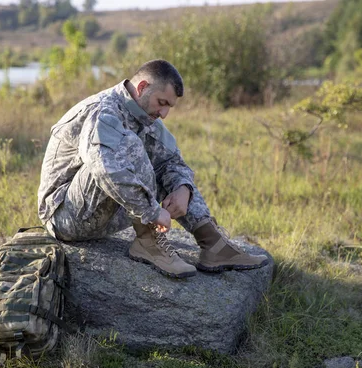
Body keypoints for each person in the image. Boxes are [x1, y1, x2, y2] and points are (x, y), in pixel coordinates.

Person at [38, 59, 268, 278]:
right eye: (162, 103)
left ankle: (213, 245)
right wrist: (152, 212)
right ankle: (148, 243)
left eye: (170, 107)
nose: (165, 114)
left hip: (105, 214)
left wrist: (183, 189)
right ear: (142, 87)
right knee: (129, 145)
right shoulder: (102, 111)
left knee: (166, 166)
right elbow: (104, 170)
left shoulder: (144, 116)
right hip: (66, 218)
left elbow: (173, 161)